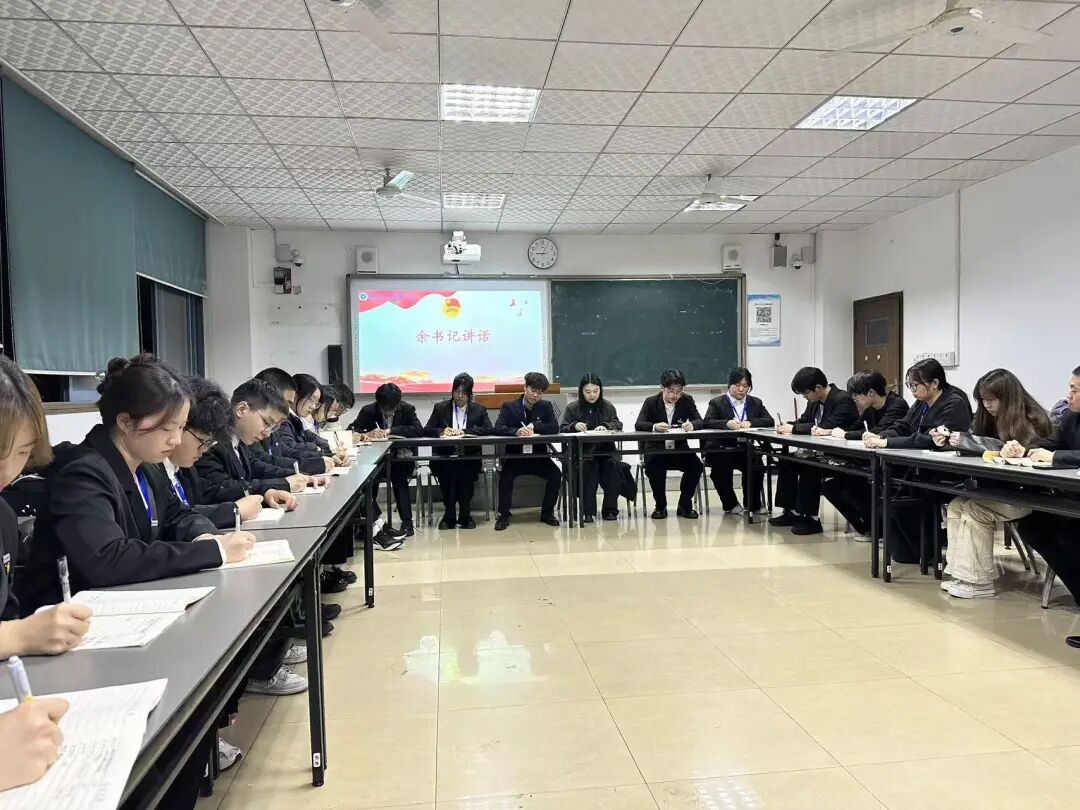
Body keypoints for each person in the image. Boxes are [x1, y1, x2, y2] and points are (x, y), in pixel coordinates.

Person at [19, 355, 256, 613]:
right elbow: (107, 558)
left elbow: (179, 514)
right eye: (167, 429)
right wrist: (213, 551)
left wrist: (204, 535)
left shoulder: (148, 467)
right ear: (125, 422)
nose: (176, 440)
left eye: (180, 428)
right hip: (69, 619)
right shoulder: (83, 474)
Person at [936, 369, 1053, 599]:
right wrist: (949, 441)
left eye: (991, 400)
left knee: (974, 510)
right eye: (982, 400)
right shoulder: (986, 417)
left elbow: (1028, 452)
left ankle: (979, 582)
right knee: (956, 505)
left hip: (1030, 494)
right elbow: (976, 443)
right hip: (999, 489)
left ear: (1007, 397)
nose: (986, 405)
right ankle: (961, 574)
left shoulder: (1034, 418)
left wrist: (1003, 449)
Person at [159, 376, 294, 531]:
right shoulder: (156, 471)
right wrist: (234, 511)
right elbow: (173, 521)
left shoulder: (186, 468)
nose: (205, 449)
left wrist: (264, 491)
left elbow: (203, 495)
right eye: (266, 423)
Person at [1011, 366, 1080, 606]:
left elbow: (1057, 454)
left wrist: (1055, 457)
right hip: (1071, 499)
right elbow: (1050, 444)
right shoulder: (1071, 418)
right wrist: (1024, 450)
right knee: (1033, 526)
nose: (1068, 396)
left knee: (1071, 535)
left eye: (1074, 390)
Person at [770, 367, 861, 535]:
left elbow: (827, 426)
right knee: (787, 461)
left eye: (805, 393)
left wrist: (794, 428)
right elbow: (804, 421)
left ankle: (810, 518)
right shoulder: (813, 401)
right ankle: (791, 511)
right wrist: (788, 425)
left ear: (818, 388)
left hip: (841, 456)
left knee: (809, 466)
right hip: (820, 453)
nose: (804, 397)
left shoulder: (843, 400)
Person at [820, 370, 909, 537]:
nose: (855, 400)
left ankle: (876, 529)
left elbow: (879, 431)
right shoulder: (871, 408)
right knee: (831, 487)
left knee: (857, 485)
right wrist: (832, 431)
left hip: (892, 466)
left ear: (871, 392)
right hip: (869, 462)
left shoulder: (897, 405)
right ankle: (866, 528)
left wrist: (846, 435)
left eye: (856, 396)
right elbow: (858, 427)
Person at [195, 378, 310, 504]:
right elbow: (221, 486)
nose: (267, 433)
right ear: (242, 409)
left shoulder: (240, 440)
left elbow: (257, 467)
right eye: (266, 422)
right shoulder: (212, 442)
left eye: (272, 427)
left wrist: (299, 476)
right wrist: (282, 484)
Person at [349, 383, 423, 537]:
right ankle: (369, 524)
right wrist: (366, 434)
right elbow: (352, 430)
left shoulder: (407, 409)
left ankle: (407, 523)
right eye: (383, 409)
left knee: (399, 475)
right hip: (376, 460)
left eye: (390, 410)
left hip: (400, 459)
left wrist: (392, 430)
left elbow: (418, 430)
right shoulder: (368, 411)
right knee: (369, 477)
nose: (387, 413)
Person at [493, 372, 562, 531]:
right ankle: (504, 515)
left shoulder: (546, 406)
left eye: (540, 392)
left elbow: (554, 427)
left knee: (555, 474)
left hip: (539, 457)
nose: (535, 395)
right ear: (525, 388)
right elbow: (498, 428)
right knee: (505, 477)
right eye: (533, 390)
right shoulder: (510, 407)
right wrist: (516, 431)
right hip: (515, 457)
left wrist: (535, 426)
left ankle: (547, 513)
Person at [702, 367, 774, 515]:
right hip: (721, 448)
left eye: (745, 386)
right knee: (720, 469)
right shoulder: (717, 402)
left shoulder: (755, 402)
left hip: (745, 448)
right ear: (729, 385)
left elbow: (769, 421)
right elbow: (707, 422)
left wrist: (751, 422)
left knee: (757, 465)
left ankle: (753, 504)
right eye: (737, 385)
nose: (741, 389)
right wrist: (726, 424)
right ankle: (731, 504)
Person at [425, 372, 492, 529]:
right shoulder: (440, 408)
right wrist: (442, 431)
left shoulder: (479, 410)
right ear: (452, 391)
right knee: (448, 474)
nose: (459, 396)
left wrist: (465, 431)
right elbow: (426, 429)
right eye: (456, 391)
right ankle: (449, 515)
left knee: (465, 474)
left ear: (470, 394)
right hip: (445, 456)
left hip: (469, 456)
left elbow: (489, 429)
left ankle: (464, 515)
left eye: (463, 393)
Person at [634, 369, 704, 520]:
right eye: (671, 391)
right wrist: (654, 426)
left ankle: (685, 505)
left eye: (679, 391)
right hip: (656, 448)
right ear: (662, 388)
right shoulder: (651, 402)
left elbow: (699, 420)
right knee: (654, 468)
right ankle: (660, 506)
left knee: (696, 466)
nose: (675, 395)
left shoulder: (687, 400)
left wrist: (692, 425)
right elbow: (639, 424)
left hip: (679, 448)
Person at [863, 358, 972, 450]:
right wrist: (881, 436)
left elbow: (929, 439)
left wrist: (887, 442)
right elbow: (903, 425)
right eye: (909, 385)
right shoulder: (921, 401)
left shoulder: (954, 404)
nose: (912, 390)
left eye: (915, 385)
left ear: (934, 383)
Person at [561, 373, 623, 523]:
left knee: (613, 466)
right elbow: (562, 428)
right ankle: (587, 512)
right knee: (588, 466)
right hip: (581, 453)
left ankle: (610, 510)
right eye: (588, 392)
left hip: (605, 452)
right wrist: (574, 425)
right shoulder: (572, 408)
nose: (592, 395)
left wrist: (606, 426)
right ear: (581, 391)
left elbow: (618, 424)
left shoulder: (607, 406)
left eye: (596, 391)